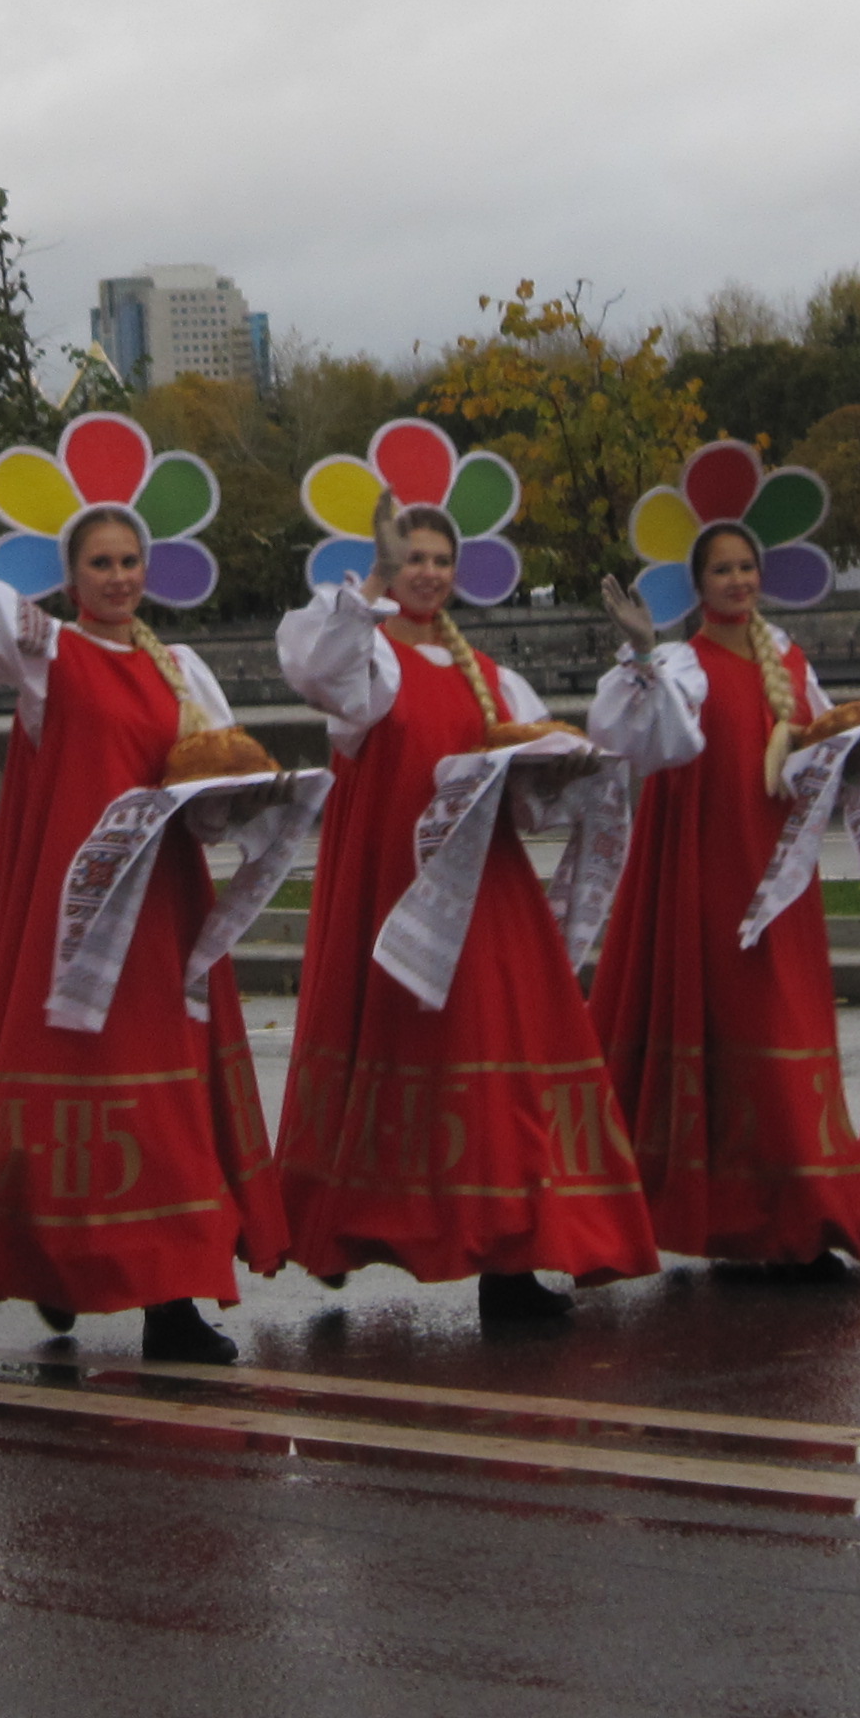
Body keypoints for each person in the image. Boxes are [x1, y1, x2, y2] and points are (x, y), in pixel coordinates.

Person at [0, 463, 285, 1363]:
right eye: (101, 562)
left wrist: (244, 801)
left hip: (163, 917)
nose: (120, 577)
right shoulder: (49, 652)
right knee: (69, 1108)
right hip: (78, 925)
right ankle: (54, 1262)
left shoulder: (183, 668)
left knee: (163, 1110)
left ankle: (172, 1301)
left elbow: (212, 781)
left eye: (130, 560)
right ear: (71, 575)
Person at [271, 498, 651, 1322]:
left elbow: (521, 784)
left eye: (441, 559)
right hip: (395, 884)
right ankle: (362, 1226)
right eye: (414, 558)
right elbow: (314, 672)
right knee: (417, 1054)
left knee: (503, 1056)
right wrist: (367, 578)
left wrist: (554, 771)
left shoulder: (488, 672)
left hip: (485, 883)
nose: (429, 572)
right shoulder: (365, 655)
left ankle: (510, 1260)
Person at [585, 525, 860, 1273]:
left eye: (746, 567)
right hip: (710, 872)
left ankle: (796, 1216)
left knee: (788, 1031)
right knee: (740, 1039)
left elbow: (816, 754)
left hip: (781, 874)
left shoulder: (789, 660)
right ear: (698, 586)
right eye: (722, 570)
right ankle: (758, 1227)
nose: (737, 580)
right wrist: (639, 656)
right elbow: (643, 741)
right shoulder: (684, 664)